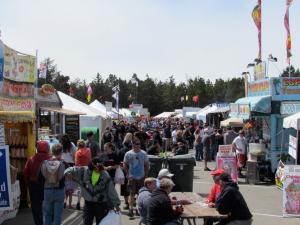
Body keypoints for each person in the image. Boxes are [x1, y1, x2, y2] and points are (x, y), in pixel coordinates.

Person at [64, 157, 121, 225]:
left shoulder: (105, 175)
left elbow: (111, 190)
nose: (98, 169)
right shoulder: (84, 170)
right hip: (88, 204)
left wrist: (117, 204)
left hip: (101, 205)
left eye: (100, 167)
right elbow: (70, 169)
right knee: (87, 222)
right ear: (92, 165)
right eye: (96, 167)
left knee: (101, 223)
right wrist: (68, 173)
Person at [24, 141, 51, 225]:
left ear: (37, 148)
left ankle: (38, 223)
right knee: (49, 206)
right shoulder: (51, 159)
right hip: (48, 185)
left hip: (34, 185)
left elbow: (25, 173)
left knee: (36, 207)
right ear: (48, 148)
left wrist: (27, 182)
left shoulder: (31, 159)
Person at [124, 137, 150, 217]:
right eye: (136, 144)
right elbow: (125, 164)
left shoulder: (143, 153)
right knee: (131, 194)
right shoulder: (128, 153)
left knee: (140, 194)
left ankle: (138, 209)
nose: (138, 145)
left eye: (139, 144)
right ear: (132, 144)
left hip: (141, 177)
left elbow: (147, 164)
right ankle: (131, 209)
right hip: (132, 177)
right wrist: (127, 174)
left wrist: (145, 176)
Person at [40, 144, 66, 225]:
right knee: (57, 216)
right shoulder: (62, 163)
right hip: (59, 191)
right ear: (61, 152)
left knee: (47, 214)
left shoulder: (45, 163)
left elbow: (42, 176)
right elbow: (62, 177)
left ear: (52, 152)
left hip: (47, 190)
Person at [60, 134, 77, 209]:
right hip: (70, 165)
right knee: (70, 185)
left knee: (65, 184)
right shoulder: (72, 145)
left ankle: (64, 202)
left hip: (63, 165)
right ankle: (69, 204)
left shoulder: (60, 145)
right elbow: (74, 156)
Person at [75, 139, 92, 210]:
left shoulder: (77, 152)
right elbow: (90, 161)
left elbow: (76, 164)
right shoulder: (88, 150)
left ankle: (78, 203)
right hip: (87, 170)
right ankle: (86, 204)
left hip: (80, 171)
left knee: (79, 188)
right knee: (87, 187)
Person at [118, 132, 133, 210]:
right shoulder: (128, 147)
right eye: (129, 137)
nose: (130, 138)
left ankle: (128, 202)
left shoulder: (124, 147)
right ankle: (128, 202)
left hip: (127, 169)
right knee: (127, 186)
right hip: (127, 169)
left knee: (127, 186)